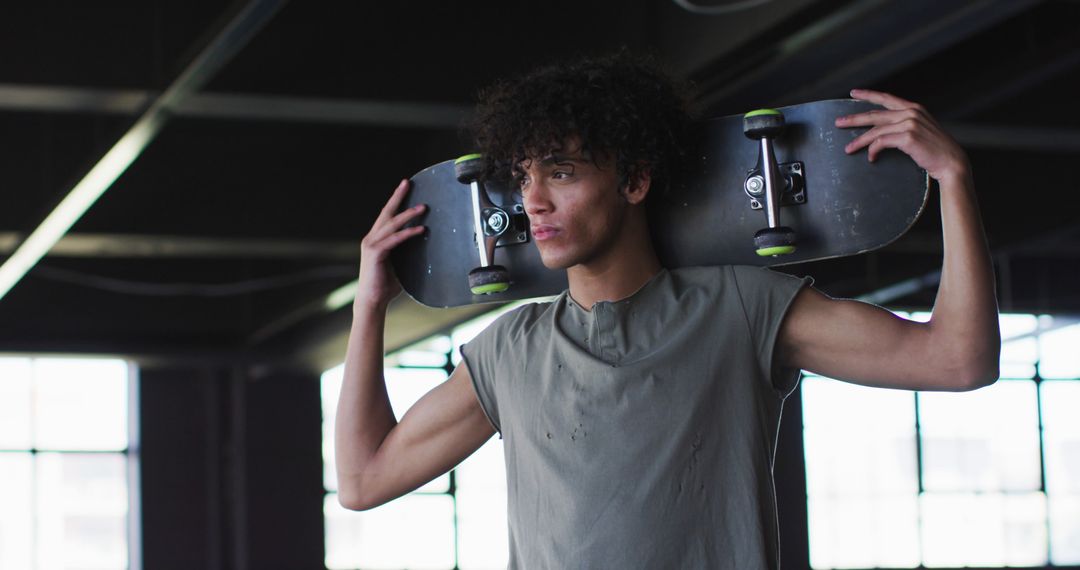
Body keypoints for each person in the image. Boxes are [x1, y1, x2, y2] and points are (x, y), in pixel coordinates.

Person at [334, 53, 1000, 569]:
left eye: (562, 172)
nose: (533, 199)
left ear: (634, 181)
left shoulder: (743, 311)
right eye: (525, 176)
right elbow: (363, 480)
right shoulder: (511, 349)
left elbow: (958, 358)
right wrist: (370, 307)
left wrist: (954, 179)